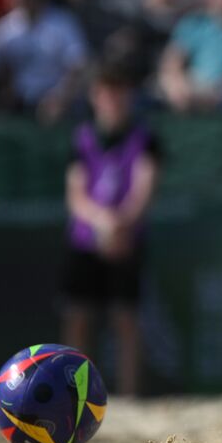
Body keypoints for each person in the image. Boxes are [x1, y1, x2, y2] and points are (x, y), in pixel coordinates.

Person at [62, 60, 162, 397]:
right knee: (78, 317)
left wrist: (121, 225)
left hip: (126, 240)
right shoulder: (84, 136)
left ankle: (130, 396)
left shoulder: (145, 137)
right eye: (107, 91)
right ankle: (76, 396)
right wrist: (101, 221)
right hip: (86, 240)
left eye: (119, 91)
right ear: (95, 96)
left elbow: (144, 188)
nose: (113, 99)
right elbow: (76, 194)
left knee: (126, 319)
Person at [0, 0, 90, 122]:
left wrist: (60, 98)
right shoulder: (4, 30)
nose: (22, 0)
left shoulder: (63, 23)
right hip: (18, 102)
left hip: (56, 101)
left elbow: (78, 66)